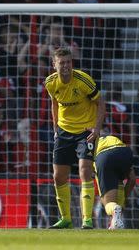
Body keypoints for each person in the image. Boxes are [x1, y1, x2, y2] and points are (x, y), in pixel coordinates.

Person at [44, 47, 105, 229]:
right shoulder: (50, 83)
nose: (66, 66)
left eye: (68, 62)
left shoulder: (83, 80)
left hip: (85, 131)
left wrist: (97, 128)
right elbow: (54, 103)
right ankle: (66, 219)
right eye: (61, 63)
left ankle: (87, 219)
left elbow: (100, 103)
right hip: (63, 132)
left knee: (85, 171)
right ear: (54, 65)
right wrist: (55, 127)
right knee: (58, 176)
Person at [94, 135, 136, 230]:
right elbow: (132, 179)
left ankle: (114, 209)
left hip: (104, 156)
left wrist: (105, 200)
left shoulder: (89, 144)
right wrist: (124, 199)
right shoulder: (112, 138)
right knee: (118, 183)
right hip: (125, 152)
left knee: (108, 203)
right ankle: (116, 221)